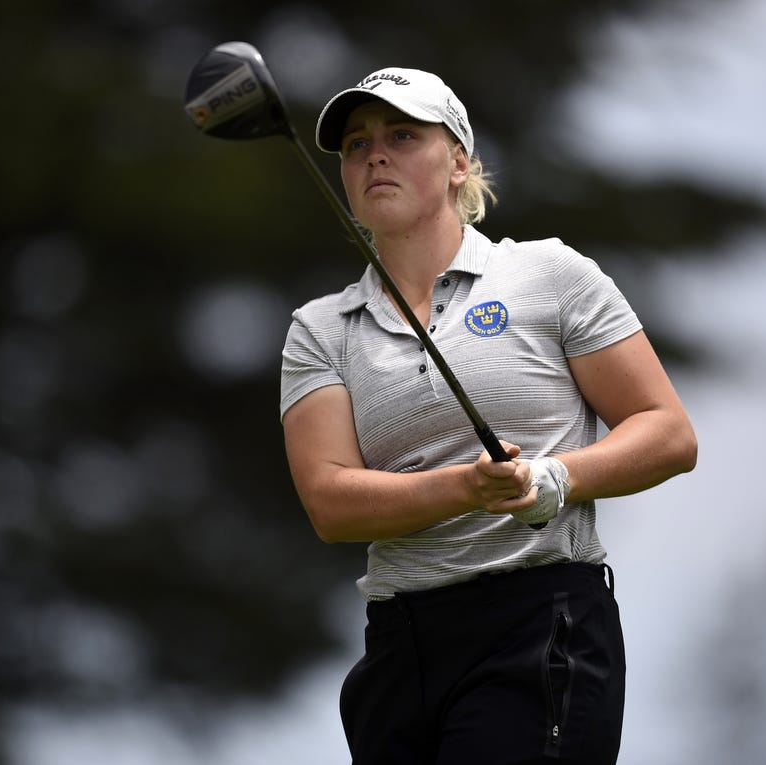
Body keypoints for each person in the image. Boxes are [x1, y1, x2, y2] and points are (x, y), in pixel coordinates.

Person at [279, 67, 698, 765]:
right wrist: (466, 488)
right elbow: (331, 502)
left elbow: (668, 432)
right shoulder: (322, 329)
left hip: (538, 626)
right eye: (356, 144)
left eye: (402, 134)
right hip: (397, 646)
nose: (373, 153)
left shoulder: (550, 275)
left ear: (459, 163)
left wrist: (555, 478)